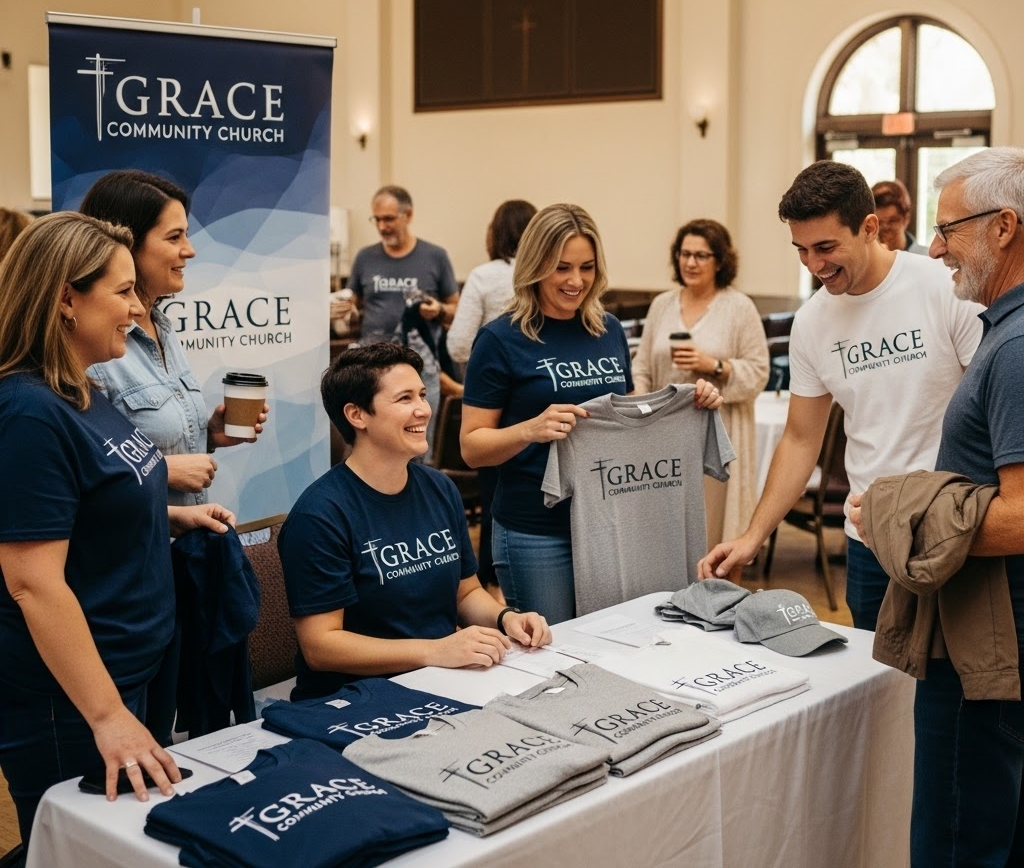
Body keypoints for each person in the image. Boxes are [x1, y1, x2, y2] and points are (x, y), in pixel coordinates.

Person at [0, 213, 235, 847]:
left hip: (134, 667)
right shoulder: (27, 414)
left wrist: (170, 515)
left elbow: (87, 505)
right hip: (73, 698)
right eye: (124, 291)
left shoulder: (80, 387)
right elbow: (33, 585)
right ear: (64, 299)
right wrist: (106, 716)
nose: (138, 307)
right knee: (84, 851)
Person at [697, 160, 983, 630]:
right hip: (868, 536)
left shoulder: (943, 288)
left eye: (826, 247)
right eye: (802, 250)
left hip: (950, 527)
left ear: (869, 228)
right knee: (875, 669)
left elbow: (985, 411)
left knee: (952, 670)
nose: (814, 265)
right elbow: (799, 440)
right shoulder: (813, 322)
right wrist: (752, 536)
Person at [853, 146, 1024, 867]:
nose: (934, 248)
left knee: (957, 841)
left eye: (949, 229)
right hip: (991, 635)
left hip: (985, 640)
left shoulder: (1016, 347)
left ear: (1004, 227)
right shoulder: (1004, 332)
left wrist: (898, 521)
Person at [461, 203, 723, 624]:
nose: (576, 281)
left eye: (586, 267)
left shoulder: (607, 330)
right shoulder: (499, 339)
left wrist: (690, 403)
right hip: (537, 531)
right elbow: (472, 448)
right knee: (552, 649)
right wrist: (531, 429)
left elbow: (629, 419)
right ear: (534, 265)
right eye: (561, 268)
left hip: (610, 524)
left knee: (618, 641)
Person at [278, 342, 551, 701]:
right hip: (355, 699)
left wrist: (506, 618)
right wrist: (435, 650)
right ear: (357, 415)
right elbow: (322, 647)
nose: (424, 409)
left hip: (441, 678)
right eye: (404, 399)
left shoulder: (439, 488)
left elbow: (466, 593)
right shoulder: (320, 516)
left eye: (422, 395)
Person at [79, 170, 269, 509]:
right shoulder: (94, 348)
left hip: (180, 538)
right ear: (126, 244)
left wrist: (207, 434)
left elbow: (147, 441)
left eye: (187, 235)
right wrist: (161, 470)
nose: (190, 250)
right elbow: (81, 471)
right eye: (174, 237)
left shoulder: (162, 327)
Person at [632, 219, 769, 561]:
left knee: (716, 529)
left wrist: (714, 365)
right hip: (665, 433)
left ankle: (719, 589)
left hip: (719, 435)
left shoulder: (739, 308)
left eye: (701, 256)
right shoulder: (662, 304)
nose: (690, 263)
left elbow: (759, 372)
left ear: (720, 261)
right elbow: (642, 365)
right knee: (667, 533)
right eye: (684, 254)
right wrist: (640, 405)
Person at [348, 185, 460, 457]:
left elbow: (455, 309)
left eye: (388, 219)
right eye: (377, 219)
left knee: (418, 447)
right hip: (370, 368)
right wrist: (345, 309)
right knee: (368, 446)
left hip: (420, 369)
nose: (382, 227)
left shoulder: (435, 256)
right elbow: (354, 304)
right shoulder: (365, 257)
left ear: (407, 215)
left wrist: (438, 310)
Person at [446, 199, 538, 366]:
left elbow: (459, 346)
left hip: (496, 370)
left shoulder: (482, 276)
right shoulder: (546, 273)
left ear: (495, 234)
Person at [872, 179, 929, 255]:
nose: (885, 227)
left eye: (892, 221)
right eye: (879, 223)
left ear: (906, 219)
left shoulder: (927, 258)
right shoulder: (865, 259)